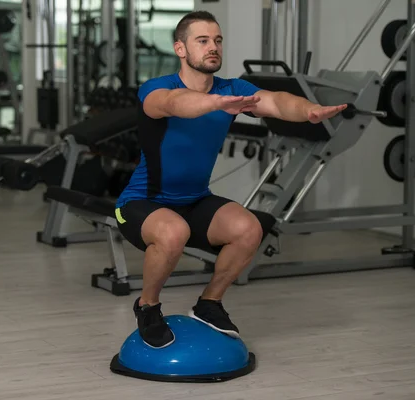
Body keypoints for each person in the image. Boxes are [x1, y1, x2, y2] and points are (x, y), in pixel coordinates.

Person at [114, 10, 347, 349]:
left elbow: (277, 101)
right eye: (203, 41)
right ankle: (147, 305)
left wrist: (308, 110)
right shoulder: (156, 88)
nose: (214, 47)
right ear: (180, 49)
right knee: (173, 231)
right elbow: (177, 104)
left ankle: (209, 303)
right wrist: (215, 102)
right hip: (141, 203)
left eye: (218, 41)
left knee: (249, 228)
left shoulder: (233, 88)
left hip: (194, 200)